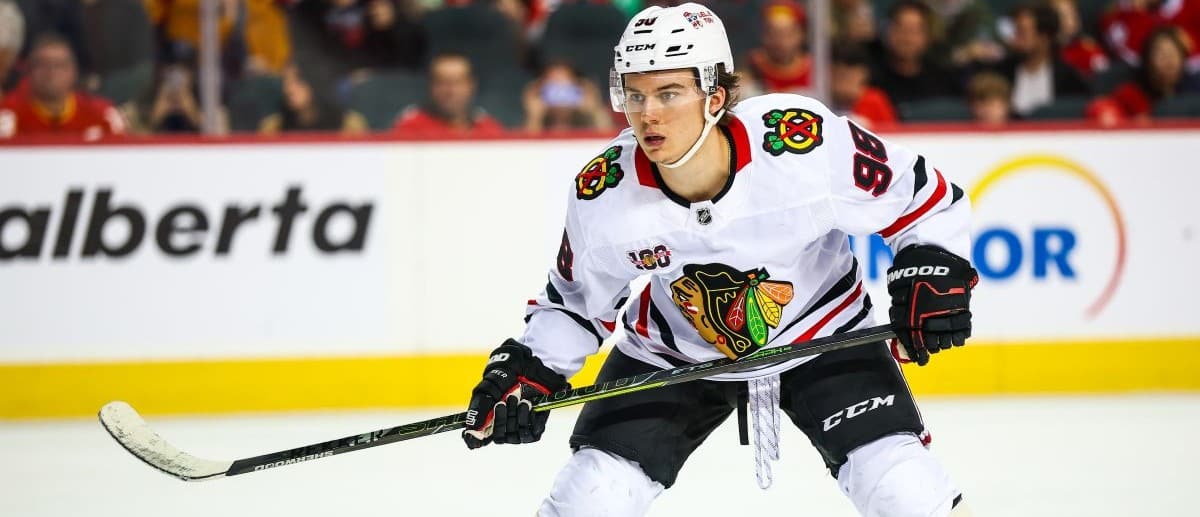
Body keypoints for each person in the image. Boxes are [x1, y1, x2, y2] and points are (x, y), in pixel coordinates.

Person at [460, 3, 978, 516]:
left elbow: (925, 201)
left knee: (905, 493)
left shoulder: (801, 144)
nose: (648, 114)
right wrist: (532, 368)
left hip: (824, 336)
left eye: (668, 93)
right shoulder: (605, 193)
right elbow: (576, 304)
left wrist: (931, 269)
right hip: (674, 355)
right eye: (634, 94)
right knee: (588, 500)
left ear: (717, 96)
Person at [0, 32, 125, 140]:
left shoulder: (102, 115)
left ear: (74, 71)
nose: (51, 72)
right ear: (29, 70)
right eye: (42, 64)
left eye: (59, 65)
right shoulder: (7, 114)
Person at [1089, 26, 1200, 125]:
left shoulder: (1194, 88)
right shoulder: (1131, 94)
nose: (1168, 60)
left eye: (1173, 54)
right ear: (1148, 59)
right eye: (1161, 54)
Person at [997, 2, 1090, 117]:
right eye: (1014, 32)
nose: (1015, 39)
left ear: (1044, 37)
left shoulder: (1068, 78)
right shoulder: (1001, 72)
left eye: (1022, 32)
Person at [870, 0, 964, 105]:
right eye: (900, 28)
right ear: (887, 30)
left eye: (914, 31)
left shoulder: (944, 80)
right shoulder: (870, 77)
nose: (906, 38)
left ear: (929, 35)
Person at [392, 53, 503, 133]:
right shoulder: (410, 128)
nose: (451, 91)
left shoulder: (487, 127)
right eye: (442, 82)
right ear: (431, 86)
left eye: (458, 82)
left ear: (471, 86)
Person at [259, 64, 367, 134]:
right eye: (285, 82)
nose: (288, 89)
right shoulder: (273, 128)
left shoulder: (350, 126)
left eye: (298, 81)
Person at [522, 60, 613, 133]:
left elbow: (609, 142)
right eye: (553, 86)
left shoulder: (587, 123)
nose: (560, 94)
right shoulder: (538, 119)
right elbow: (526, 147)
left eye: (567, 88)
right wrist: (534, 116)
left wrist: (596, 110)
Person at [741, 1, 811, 94]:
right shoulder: (752, 66)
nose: (780, 41)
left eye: (787, 34)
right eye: (773, 33)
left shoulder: (815, 70)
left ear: (802, 35)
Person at [830, 44, 898, 129]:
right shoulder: (818, 101)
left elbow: (892, 134)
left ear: (864, 75)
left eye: (850, 76)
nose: (845, 81)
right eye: (840, 75)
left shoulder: (875, 101)